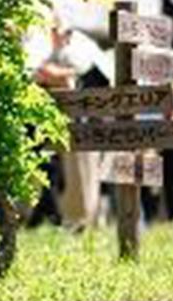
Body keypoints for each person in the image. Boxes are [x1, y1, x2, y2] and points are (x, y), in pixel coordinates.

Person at [28, 14, 113, 230]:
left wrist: (54, 75)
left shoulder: (80, 47)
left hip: (84, 116)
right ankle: (36, 216)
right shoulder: (44, 46)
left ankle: (82, 219)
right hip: (55, 116)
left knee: (83, 167)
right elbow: (41, 72)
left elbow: (68, 79)